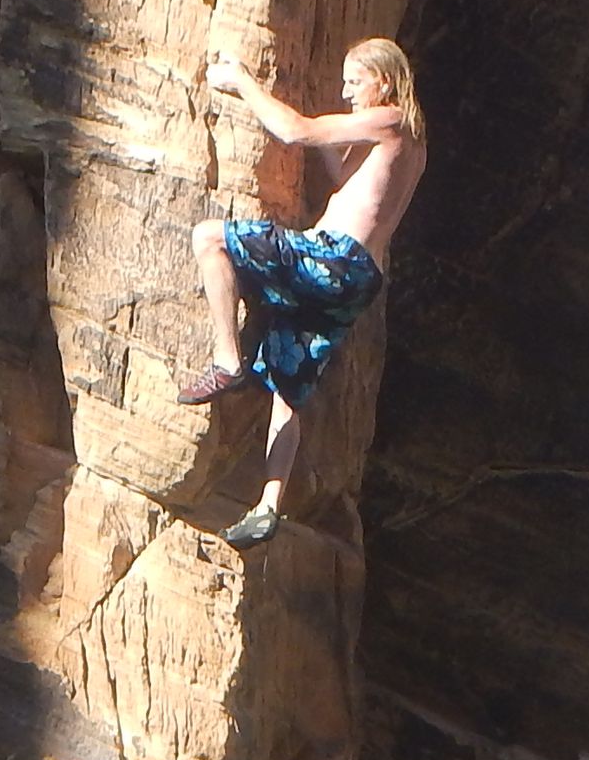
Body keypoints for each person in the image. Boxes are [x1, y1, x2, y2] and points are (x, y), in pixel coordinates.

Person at [182, 37, 429, 546]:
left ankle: (228, 361)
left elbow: (295, 132)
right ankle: (268, 505)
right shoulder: (410, 143)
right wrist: (324, 143)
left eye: (354, 81)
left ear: (383, 81)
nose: (346, 91)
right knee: (287, 388)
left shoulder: (391, 119)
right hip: (355, 281)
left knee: (208, 237)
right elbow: (346, 176)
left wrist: (243, 82)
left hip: (333, 259)